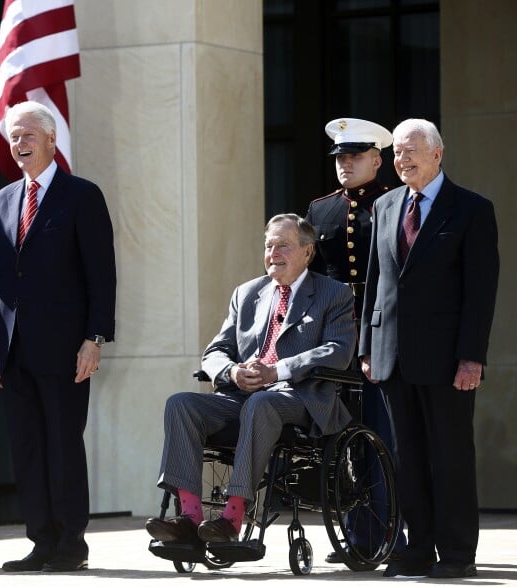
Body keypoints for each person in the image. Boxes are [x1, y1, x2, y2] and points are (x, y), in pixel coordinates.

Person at [146, 214, 356, 546]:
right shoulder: (247, 293)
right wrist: (232, 372)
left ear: (307, 252)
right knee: (181, 404)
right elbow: (215, 350)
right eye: (269, 246)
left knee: (261, 403)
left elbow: (338, 351)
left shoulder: (334, 294)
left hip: (299, 397)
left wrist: (278, 370)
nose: (274, 253)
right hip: (243, 397)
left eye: (284, 245)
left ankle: (232, 518)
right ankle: (189, 517)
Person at [360, 119, 499, 579]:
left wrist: (472, 357)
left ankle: (458, 553)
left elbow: (480, 292)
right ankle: (417, 548)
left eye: (410, 152)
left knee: (451, 456)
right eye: (397, 154)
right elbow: (375, 283)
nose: (402, 160)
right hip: (392, 356)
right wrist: (367, 346)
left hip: (447, 360)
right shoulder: (385, 206)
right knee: (408, 458)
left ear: (438, 153)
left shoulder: (471, 210)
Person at [0, 101, 116, 573]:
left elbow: (101, 274)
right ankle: (40, 541)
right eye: (14, 137)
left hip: (65, 349)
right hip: (15, 350)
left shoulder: (82, 195)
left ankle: (70, 545)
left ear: (51, 139)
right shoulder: (1, 201)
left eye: (28, 136)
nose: (20, 145)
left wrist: (94, 338)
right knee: (27, 449)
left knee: (62, 445)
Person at [305, 117, 406, 564]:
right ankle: (359, 534)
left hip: (382, 338)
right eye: (340, 158)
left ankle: (391, 534)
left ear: (377, 160)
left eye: (354, 157)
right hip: (335, 340)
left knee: (384, 437)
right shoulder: (321, 209)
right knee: (344, 440)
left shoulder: (394, 203)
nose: (345, 165)